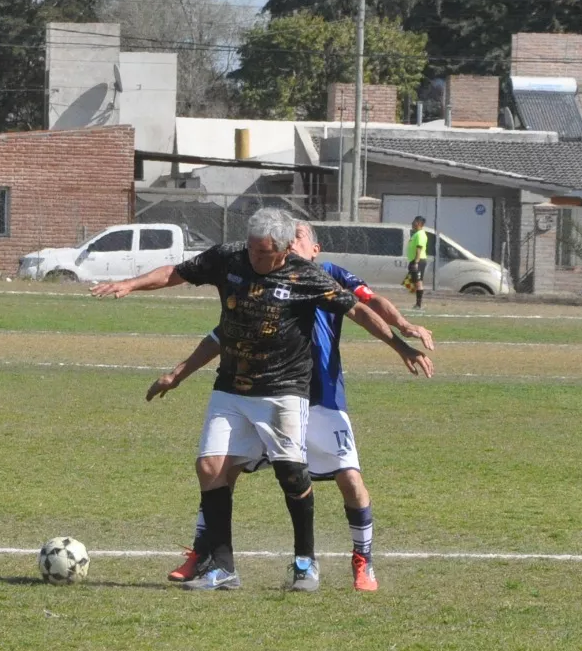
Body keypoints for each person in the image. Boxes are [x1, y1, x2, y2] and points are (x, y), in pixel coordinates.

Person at [93, 208, 426, 592]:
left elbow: (361, 312)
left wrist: (402, 345)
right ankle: (221, 566)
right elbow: (177, 272)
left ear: (284, 250)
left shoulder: (307, 276)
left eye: (263, 252)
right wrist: (130, 285)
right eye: (251, 249)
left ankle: (305, 562)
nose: (253, 258)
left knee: (291, 473)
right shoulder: (229, 257)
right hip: (231, 385)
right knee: (210, 467)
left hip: (284, 389)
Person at [408, 215, 429, 309]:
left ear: (419, 223)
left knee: (418, 282)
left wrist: (416, 262)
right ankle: (417, 303)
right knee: (414, 281)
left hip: (419, 261)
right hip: (414, 260)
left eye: (414, 221)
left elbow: (419, 248)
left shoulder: (420, 234)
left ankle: (418, 304)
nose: (412, 223)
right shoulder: (416, 234)